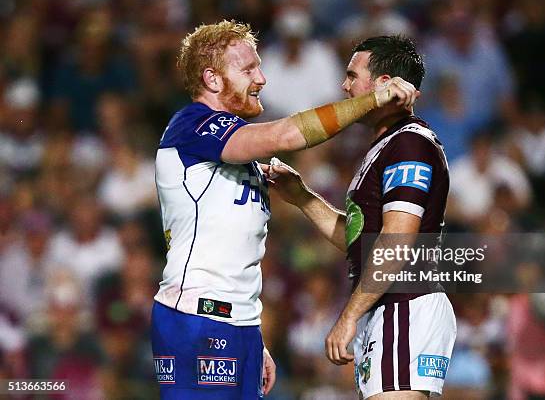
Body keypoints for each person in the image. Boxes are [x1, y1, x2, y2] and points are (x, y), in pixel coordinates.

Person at [151, 21, 419, 400]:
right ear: (212, 79)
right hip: (197, 319)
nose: (261, 78)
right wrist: (372, 99)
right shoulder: (192, 126)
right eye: (248, 69)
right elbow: (287, 135)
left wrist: (252, 335)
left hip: (237, 323)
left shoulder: (236, 158)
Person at [263, 36, 457, 399]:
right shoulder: (386, 146)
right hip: (390, 305)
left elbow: (396, 242)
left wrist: (348, 315)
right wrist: (303, 198)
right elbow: (359, 241)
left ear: (383, 85)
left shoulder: (409, 145)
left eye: (352, 75)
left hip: (404, 303)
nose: (344, 85)